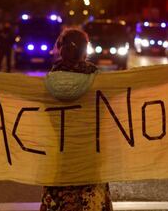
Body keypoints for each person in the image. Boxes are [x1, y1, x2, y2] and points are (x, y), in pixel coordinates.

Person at [40, 28, 113, 211]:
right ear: (85, 50)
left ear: (60, 48)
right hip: (90, 157)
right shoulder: (97, 81)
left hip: (61, 156)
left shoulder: (50, 82)